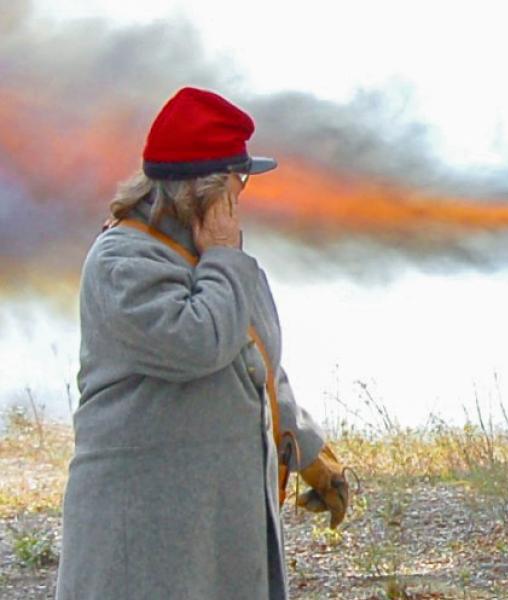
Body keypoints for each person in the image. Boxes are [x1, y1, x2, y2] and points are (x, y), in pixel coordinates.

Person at [55, 87, 348, 600]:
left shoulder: (217, 260)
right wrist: (222, 258)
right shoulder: (122, 262)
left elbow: (254, 358)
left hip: (210, 513)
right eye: (239, 181)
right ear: (205, 191)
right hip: (143, 524)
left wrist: (304, 448)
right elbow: (200, 342)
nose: (243, 193)